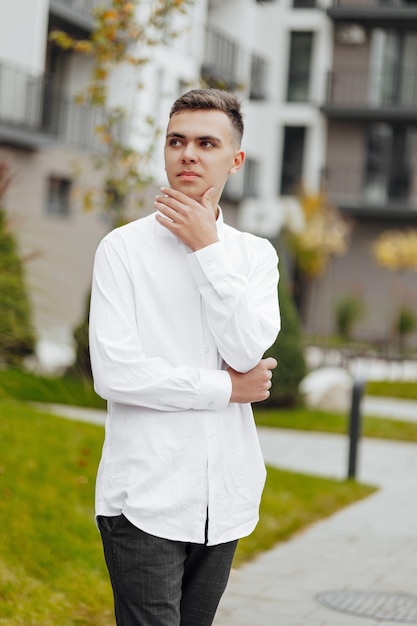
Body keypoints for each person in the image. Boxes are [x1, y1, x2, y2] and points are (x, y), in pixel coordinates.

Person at [89, 88, 280, 626]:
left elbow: (246, 349)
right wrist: (226, 389)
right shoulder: (122, 250)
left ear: (235, 160)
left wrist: (207, 249)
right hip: (146, 499)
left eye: (205, 142)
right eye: (177, 141)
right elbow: (116, 373)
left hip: (225, 501)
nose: (188, 153)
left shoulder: (255, 256)